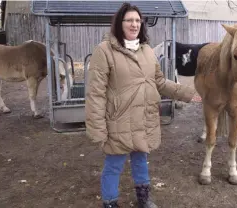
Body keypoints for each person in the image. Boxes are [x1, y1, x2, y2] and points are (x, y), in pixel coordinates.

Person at [85, 3, 195, 208]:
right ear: (120, 23)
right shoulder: (104, 51)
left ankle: (144, 199)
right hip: (119, 120)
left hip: (144, 118)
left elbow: (160, 82)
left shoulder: (147, 51)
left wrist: (189, 94)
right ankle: (110, 202)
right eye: (129, 20)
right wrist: (97, 129)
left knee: (141, 161)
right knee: (113, 166)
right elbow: (96, 93)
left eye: (137, 20)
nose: (134, 24)